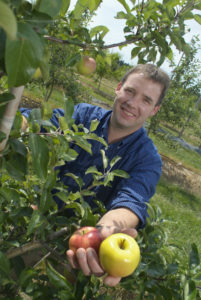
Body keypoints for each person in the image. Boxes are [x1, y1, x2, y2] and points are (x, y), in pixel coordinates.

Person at [20, 63, 170, 287]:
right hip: (33, 222)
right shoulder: (83, 116)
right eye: (130, 91)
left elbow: (132, 201)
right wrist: (16, 124)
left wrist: (105, 231)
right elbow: (38, 125)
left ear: (154, 110)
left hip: (77, 252)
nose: (132, 103)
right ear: (118, 88)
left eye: (146, 100)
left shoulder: (147, 158)